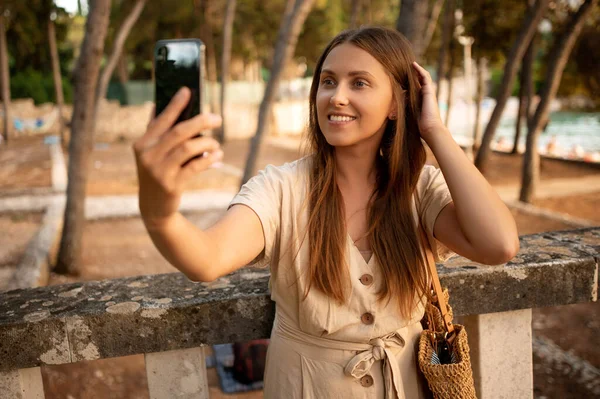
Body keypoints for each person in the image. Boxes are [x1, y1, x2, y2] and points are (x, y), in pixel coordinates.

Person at [133, 27, 519, 399]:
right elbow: (208, 259)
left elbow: (498, 245)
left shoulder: (419, 189)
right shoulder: (280, 188)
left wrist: (434, 130)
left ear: (395, 104)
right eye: (328, 81)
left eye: (359, 83)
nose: (336, 96)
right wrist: (159, 214)